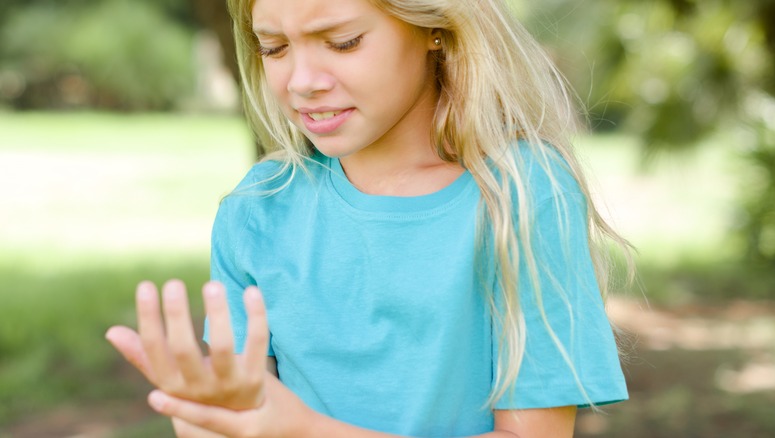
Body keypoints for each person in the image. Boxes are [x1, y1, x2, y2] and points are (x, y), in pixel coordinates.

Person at [106, 0, 632, 436]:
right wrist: (200, 414)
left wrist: (305, 432)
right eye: (275, 47)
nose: (302, 81)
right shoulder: (257, 207)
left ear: (435, 28)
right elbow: (241, 420)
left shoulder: (521, 192)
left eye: (342, 42)